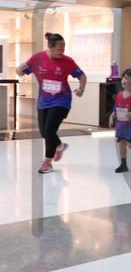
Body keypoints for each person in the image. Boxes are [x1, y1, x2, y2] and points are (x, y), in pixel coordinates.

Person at [16, 32, 86, 174]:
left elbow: (82, 76)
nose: (62, 51)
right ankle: (59, 146)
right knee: (44, 132)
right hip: (43, 101)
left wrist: (81, 89)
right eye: (59, 48)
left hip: (62, 100)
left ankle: (47, 163)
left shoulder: (68, 61)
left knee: (49, 130)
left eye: (64, 48)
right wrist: (19, 70)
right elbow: (21, 71)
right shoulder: (37, 58)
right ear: (50, 46)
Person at [109, 68, 131, 173]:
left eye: (127, 78)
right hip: (120, 123)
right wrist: (112, 116)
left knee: (130, 143)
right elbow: (115, 108)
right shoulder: (119, 94)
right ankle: (123, 165)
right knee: (121, 142)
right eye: (123, 78)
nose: (123, 80)